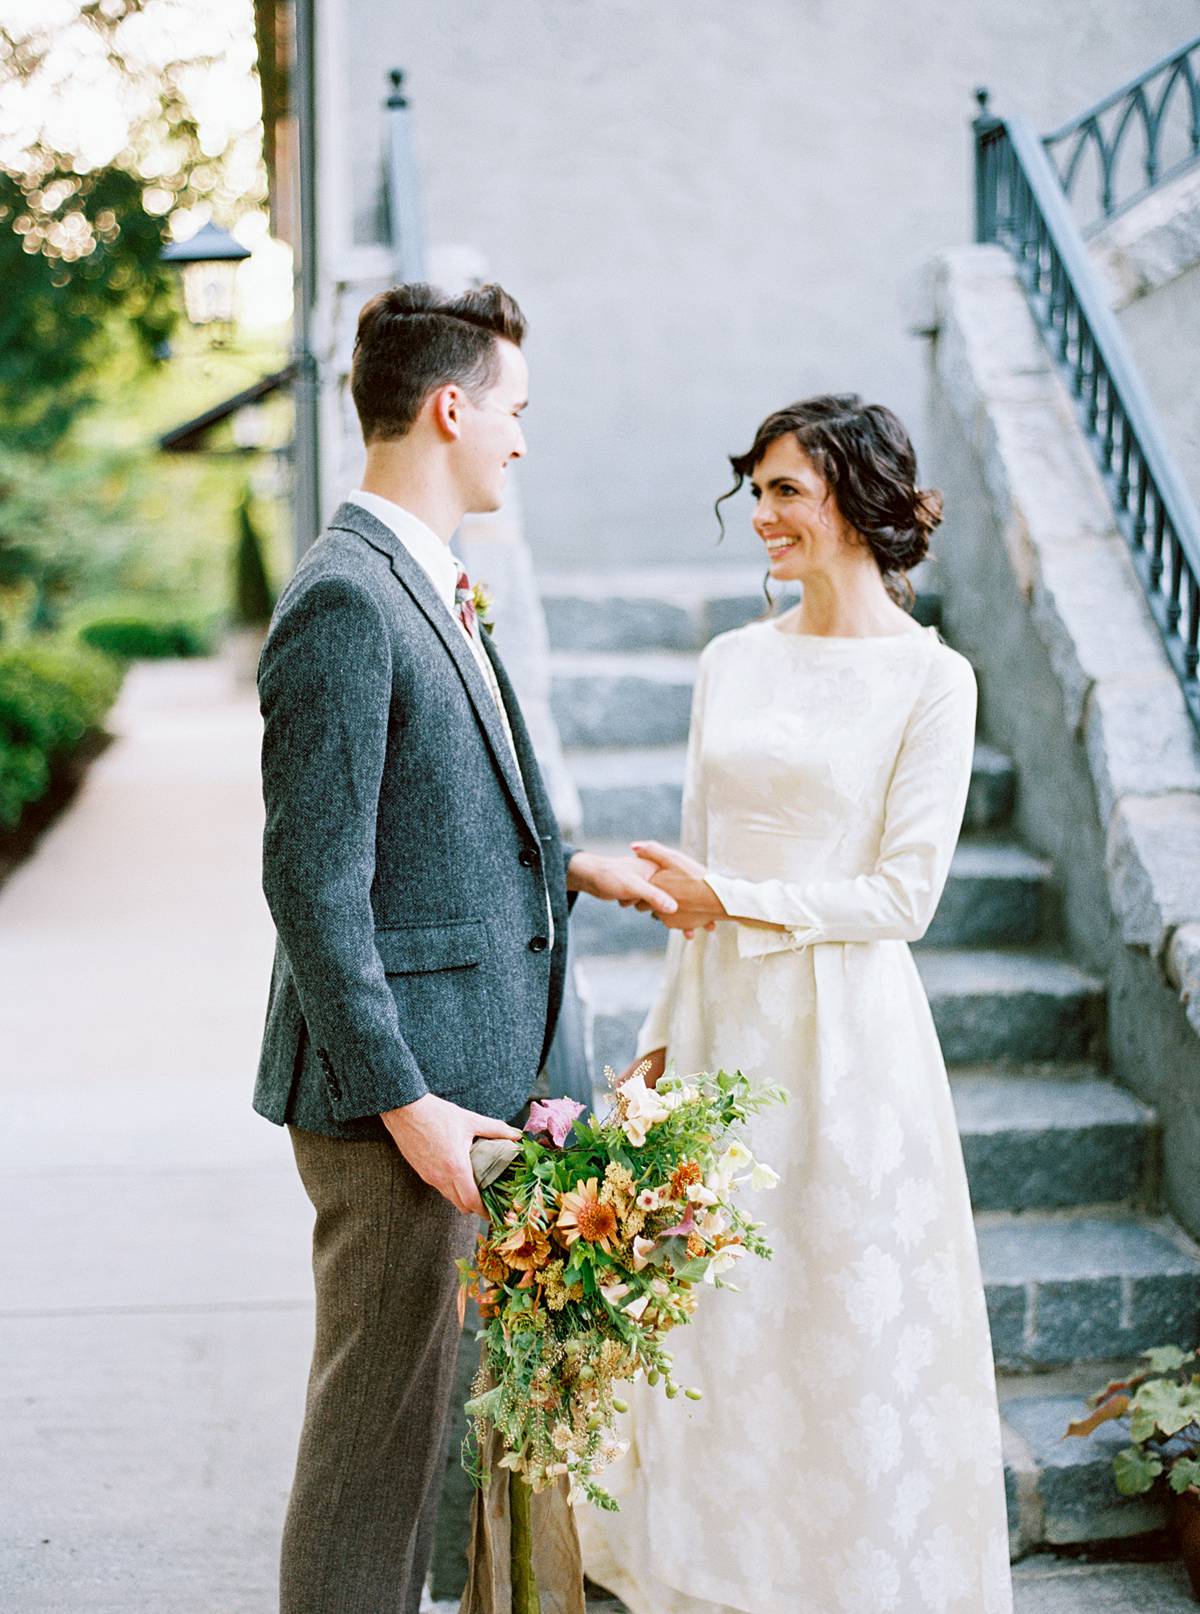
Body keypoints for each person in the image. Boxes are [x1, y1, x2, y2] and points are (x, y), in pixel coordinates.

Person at [253, 282, 675, 1614]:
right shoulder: (347, 600)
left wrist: (574, 862)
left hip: (480, 1087)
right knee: (372, 1456)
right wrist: (408, 1106)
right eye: (514, 409)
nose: (523, 440)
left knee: (443, 1448)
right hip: (405, 1108)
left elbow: (444, 808)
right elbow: (314, 889)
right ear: (451, 406)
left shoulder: (429, 579)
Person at [580, 396, 1013, 1614]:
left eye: (787, 491)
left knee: (840, 1316)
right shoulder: (732, 659)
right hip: (719, 1019)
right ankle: (724, 1577)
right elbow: (692, 877)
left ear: (861, 501)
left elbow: (904, 896)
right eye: (756, 490)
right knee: (719, 1315)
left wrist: (738, 900)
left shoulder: (934, 681)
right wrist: (660, 1043)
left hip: (847, 1041)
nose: (761, 515)